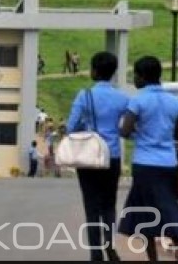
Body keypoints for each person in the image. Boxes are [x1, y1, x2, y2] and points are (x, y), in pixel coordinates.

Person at [118, 56, 178, 262]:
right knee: (167, 201)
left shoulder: (138, 100)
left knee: (145, 213)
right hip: (168, 162)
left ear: (141, 77)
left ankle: (163, 251)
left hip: (144, 163)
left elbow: (125, 130)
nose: (134, 80)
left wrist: (139, 134)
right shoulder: (173, 102)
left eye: (135, 76)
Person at [66, 51, 130, 262]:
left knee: (91, 205)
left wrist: (87, 126)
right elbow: (128, 126)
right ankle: (110, 243)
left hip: (89, 157)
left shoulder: (84, 96)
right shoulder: (122, 97)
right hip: (112, 155)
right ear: (113, 72)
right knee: (109, 204)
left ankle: (96, 253)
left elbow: (71, 127)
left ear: (93, 70)